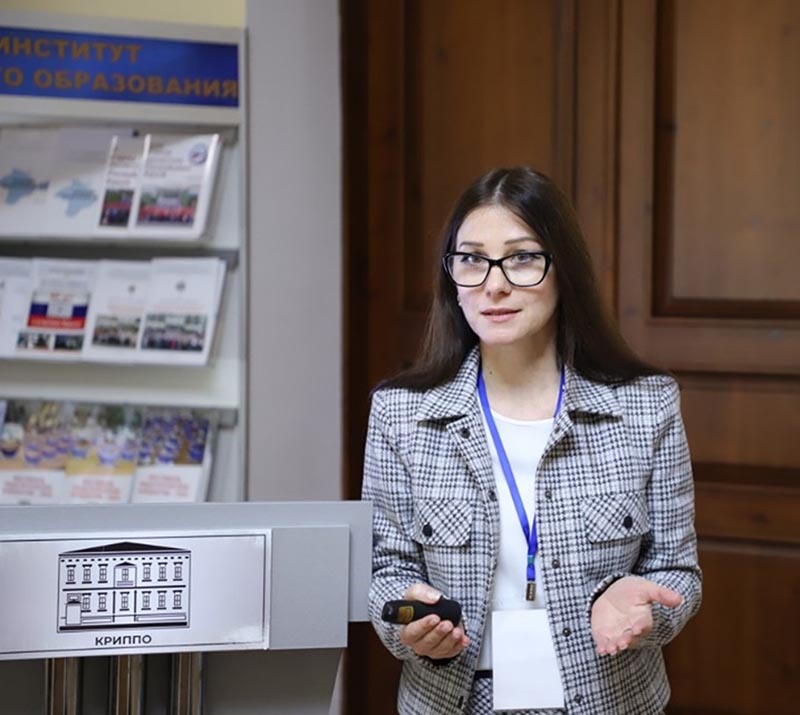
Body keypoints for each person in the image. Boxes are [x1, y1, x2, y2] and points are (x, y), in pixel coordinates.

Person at [361, 167, 701, 715]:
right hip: (454, 700)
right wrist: (407, 622)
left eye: (521, 258)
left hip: (607, 699)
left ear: (563, 270)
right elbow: (386, 572)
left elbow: (677, 572)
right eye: (471, 259)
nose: (493, 284)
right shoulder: (400, 414)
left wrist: (644, 611)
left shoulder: (645, 406)